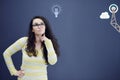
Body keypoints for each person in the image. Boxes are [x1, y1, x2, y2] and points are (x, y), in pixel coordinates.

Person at [3, 16, 60, 80]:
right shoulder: (24, 41)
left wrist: (48, 42)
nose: (39, 26)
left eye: (42, 24)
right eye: (36, 25)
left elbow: (52, 62)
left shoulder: (49, 43)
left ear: (45, 27)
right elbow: (6, 53)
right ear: (32, 29)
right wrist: (13, 71)